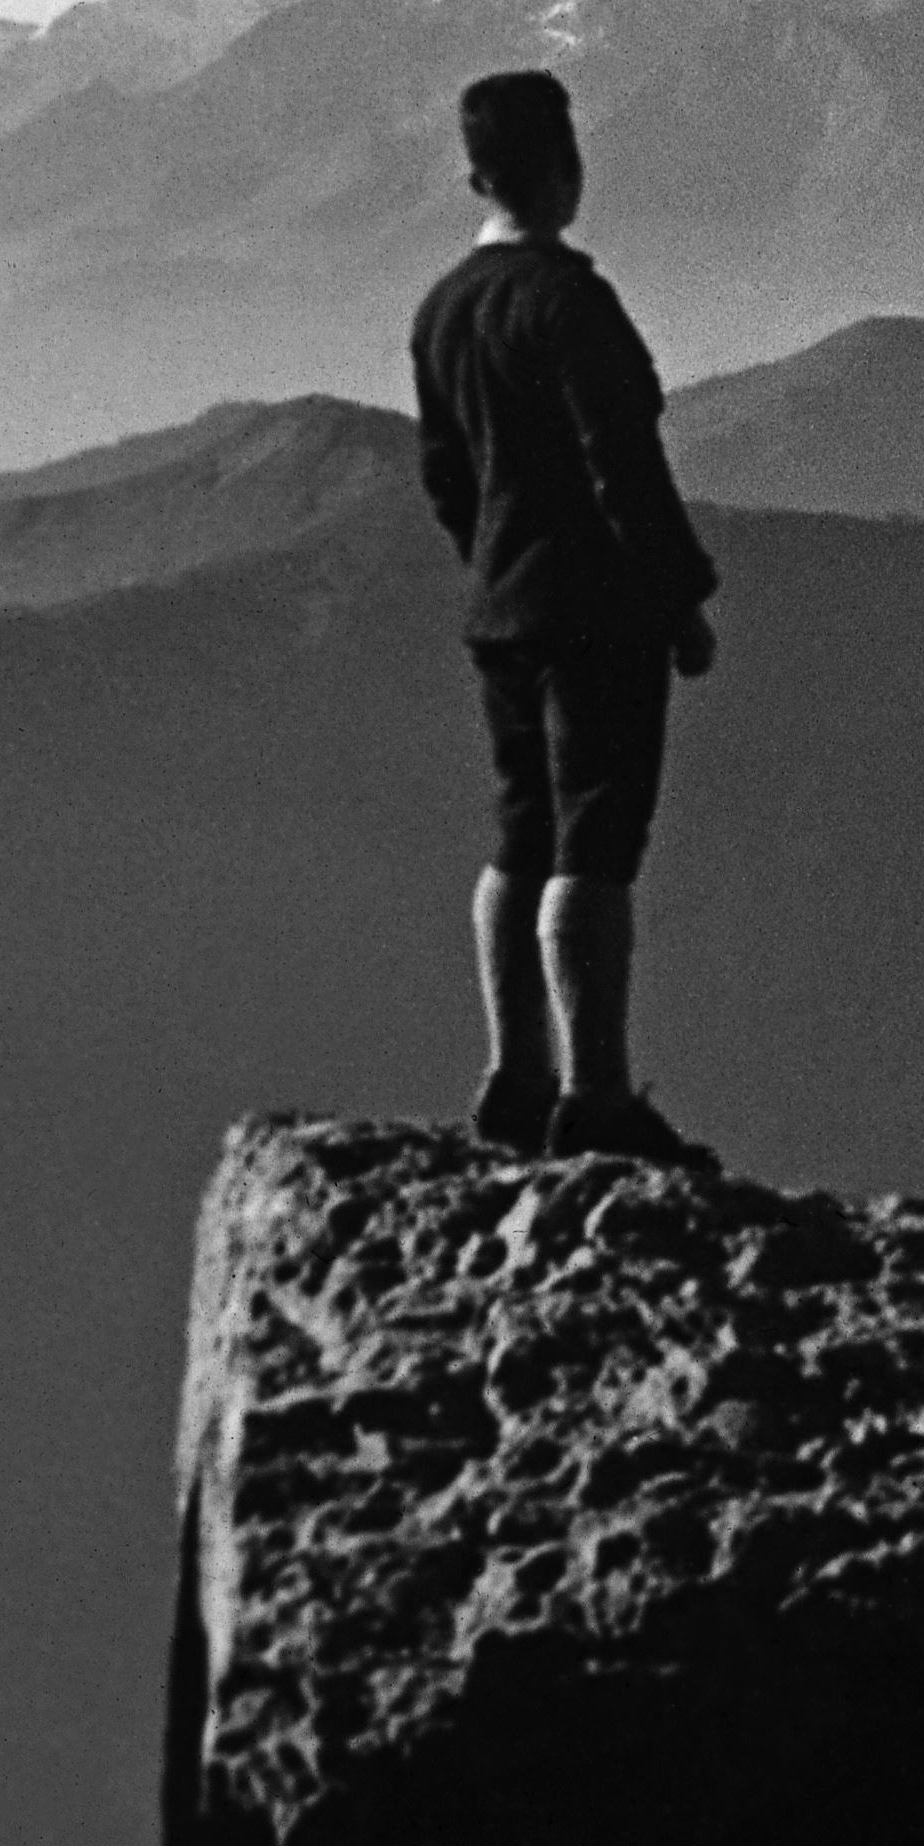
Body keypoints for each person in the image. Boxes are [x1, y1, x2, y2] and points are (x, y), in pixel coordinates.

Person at [407, 66, 724, 1166]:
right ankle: (595, 1098)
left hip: (499, 609)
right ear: (568, 168)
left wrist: (490, 564)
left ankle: (514, 1074)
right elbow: (621, 464)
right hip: (595, 610)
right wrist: (678, 593)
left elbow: (445, 472)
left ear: (471, 174)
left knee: (519, 832)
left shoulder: (442, 306)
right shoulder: (571, 301)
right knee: (595, 839)